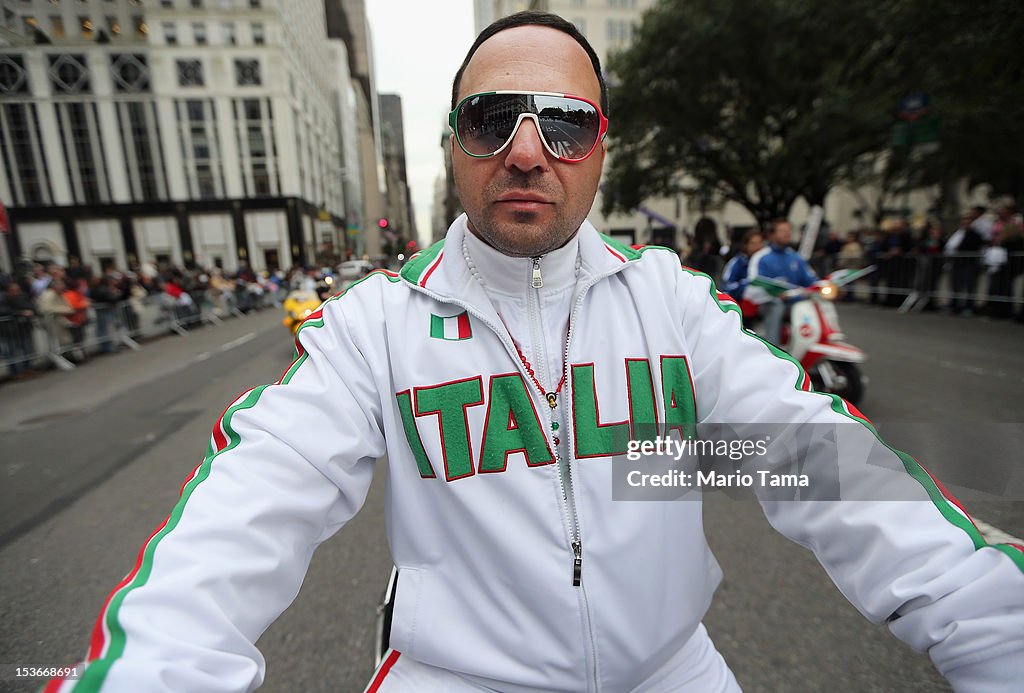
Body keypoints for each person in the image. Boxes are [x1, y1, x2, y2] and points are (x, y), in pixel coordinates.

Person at [48, 12, 1023, 693]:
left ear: (601, 148)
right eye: (491, 118)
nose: (526, 149)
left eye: (564, 123)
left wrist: (996, 629)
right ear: (454, 146)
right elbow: (239, 524)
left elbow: (820, 468)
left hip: (674, 675)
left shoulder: (670, 309)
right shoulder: (374, 328)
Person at [746, 218, 818, 346]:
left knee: (816, 303)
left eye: (789, 230)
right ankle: (773, 349)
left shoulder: (795, 257)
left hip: (793, 302)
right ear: (771, 235)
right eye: (782, 230)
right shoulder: (761, 257)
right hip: (767, 302)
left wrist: (822, 286)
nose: (787, 233)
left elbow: (811, 280)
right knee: (776, 306)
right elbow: (754, 282)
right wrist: (774, 292)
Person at [720, 228, 763, 318]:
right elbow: (727, 286)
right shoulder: (737, 263)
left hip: (763, 302)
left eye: (760, 243)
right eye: (753, 243)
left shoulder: (766, 262)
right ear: (746, 245)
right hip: (740, 304)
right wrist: (746, 284)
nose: (757, 247)